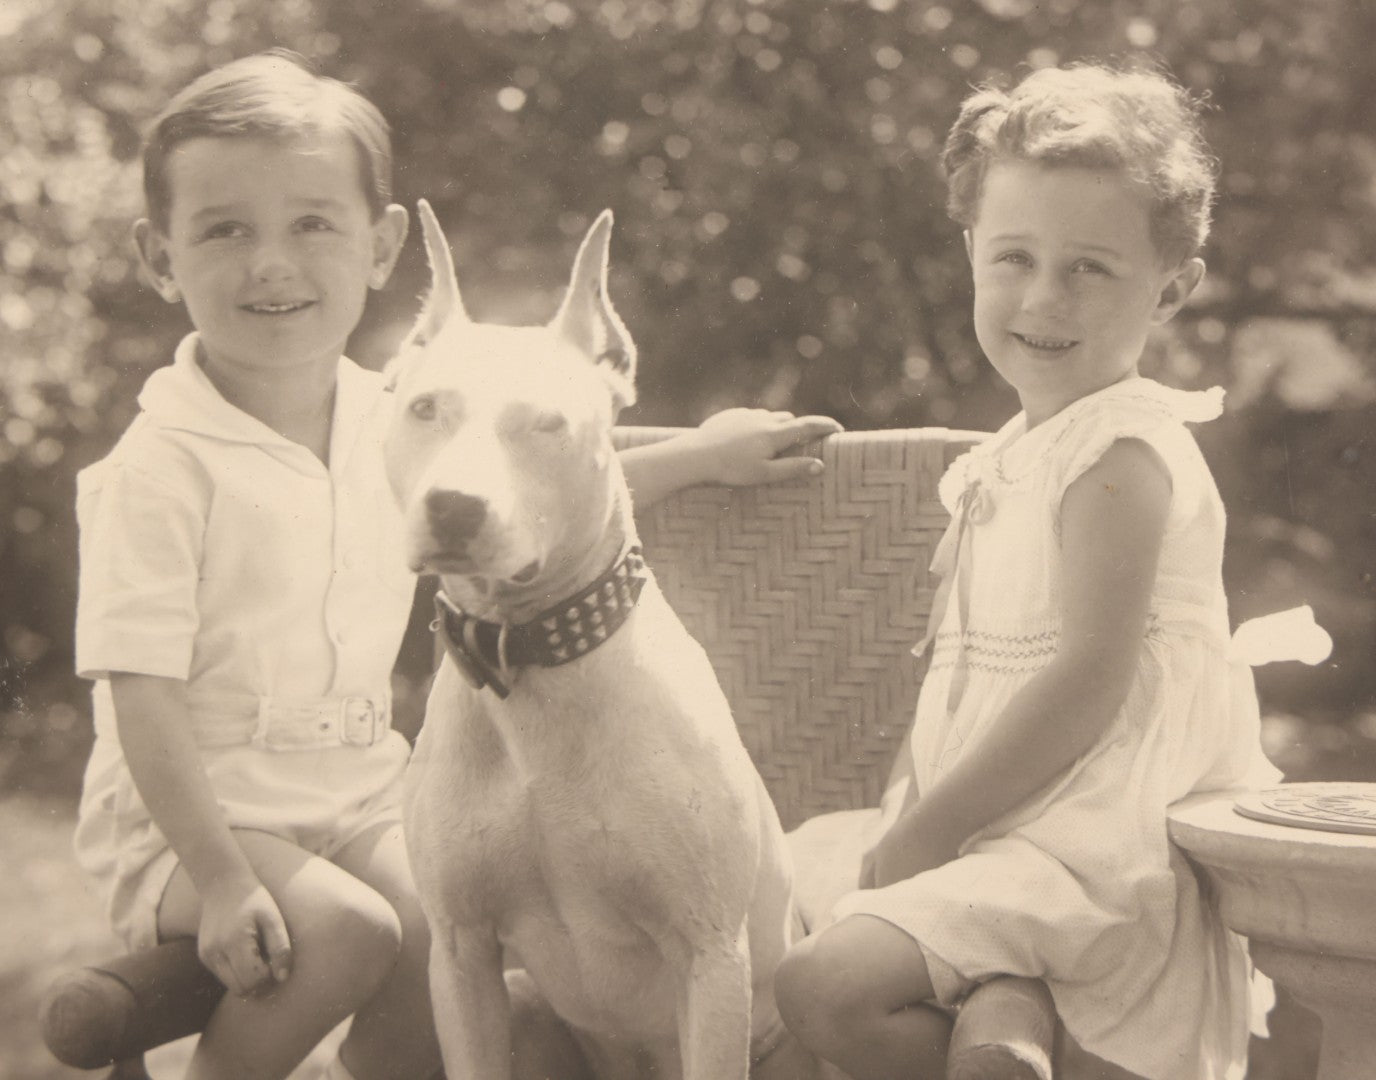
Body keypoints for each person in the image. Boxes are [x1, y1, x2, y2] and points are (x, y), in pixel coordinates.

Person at [72, 50, 840, 1080]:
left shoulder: (390, 414)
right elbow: (140, 696)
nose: (270, 264)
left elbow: (540, 494)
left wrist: (700, 452)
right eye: (223, 229)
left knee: (432, 943)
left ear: (380, 246)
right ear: (159, 258)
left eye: (310, 223)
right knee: (355, 931)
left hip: (347, 808)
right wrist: (214, 876)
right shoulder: (158, 467)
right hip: (201, 828)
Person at [774, 62, 1279, 1080]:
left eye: (1089, 268)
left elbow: (1084, 682)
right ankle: (1004, 1018)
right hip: (1005, 834)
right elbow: (963, 683)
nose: (1042, 298)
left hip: (1092, 850)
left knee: (823, 985)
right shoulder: (1014, 451)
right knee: (804, 976)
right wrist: (912, 820)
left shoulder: (1118, 456)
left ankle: (1014, 1019)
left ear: (1170, 287)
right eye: (1013, 257)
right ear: (968, 252)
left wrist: (926, 831)